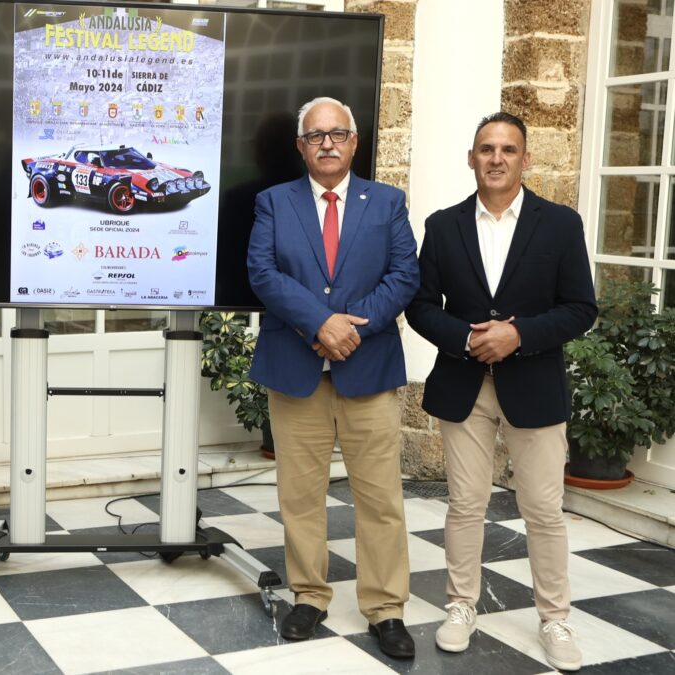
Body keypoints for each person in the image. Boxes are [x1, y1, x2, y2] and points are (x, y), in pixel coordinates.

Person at [405, 112, 597, 672]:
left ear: (525, 159)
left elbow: (580, 309)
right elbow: (419, 306)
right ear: (471, 158)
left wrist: (518, 336)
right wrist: (468, 339)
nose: (496, 158)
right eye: (485, 149)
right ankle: (461, 606)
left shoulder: (560, 224)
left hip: (534, 385)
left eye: (508, 149)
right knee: (466, 505)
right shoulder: (443, 226)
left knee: (543, 509)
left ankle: (555, 617)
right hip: (465, 386)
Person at [247, 96, 420, 658]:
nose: (327, 143)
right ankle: (309, 595)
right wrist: (320, 323)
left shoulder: (387, 202)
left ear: (354, 142)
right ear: (301, 146)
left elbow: (404, 276)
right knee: (300, 495)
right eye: (316, 135)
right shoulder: (273, 202)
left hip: (367, 369)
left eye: (338, 134)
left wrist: (352, 330)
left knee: (380, 497)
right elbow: (262, 273)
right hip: (296, 367)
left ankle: (385, 607)